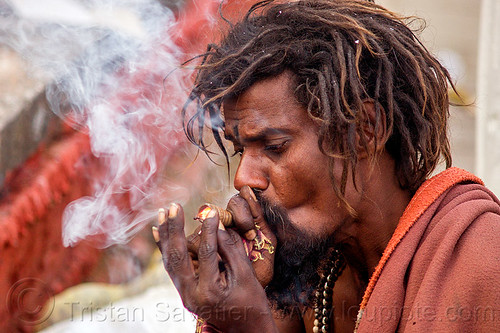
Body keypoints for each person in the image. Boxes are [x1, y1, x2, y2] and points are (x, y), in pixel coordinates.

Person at [151, 1, 500, 332]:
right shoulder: (309, 279)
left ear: (364, 131)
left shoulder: (482, 261)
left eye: (274, 147)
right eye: (241, 149)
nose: (244, 178)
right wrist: (250, 303)